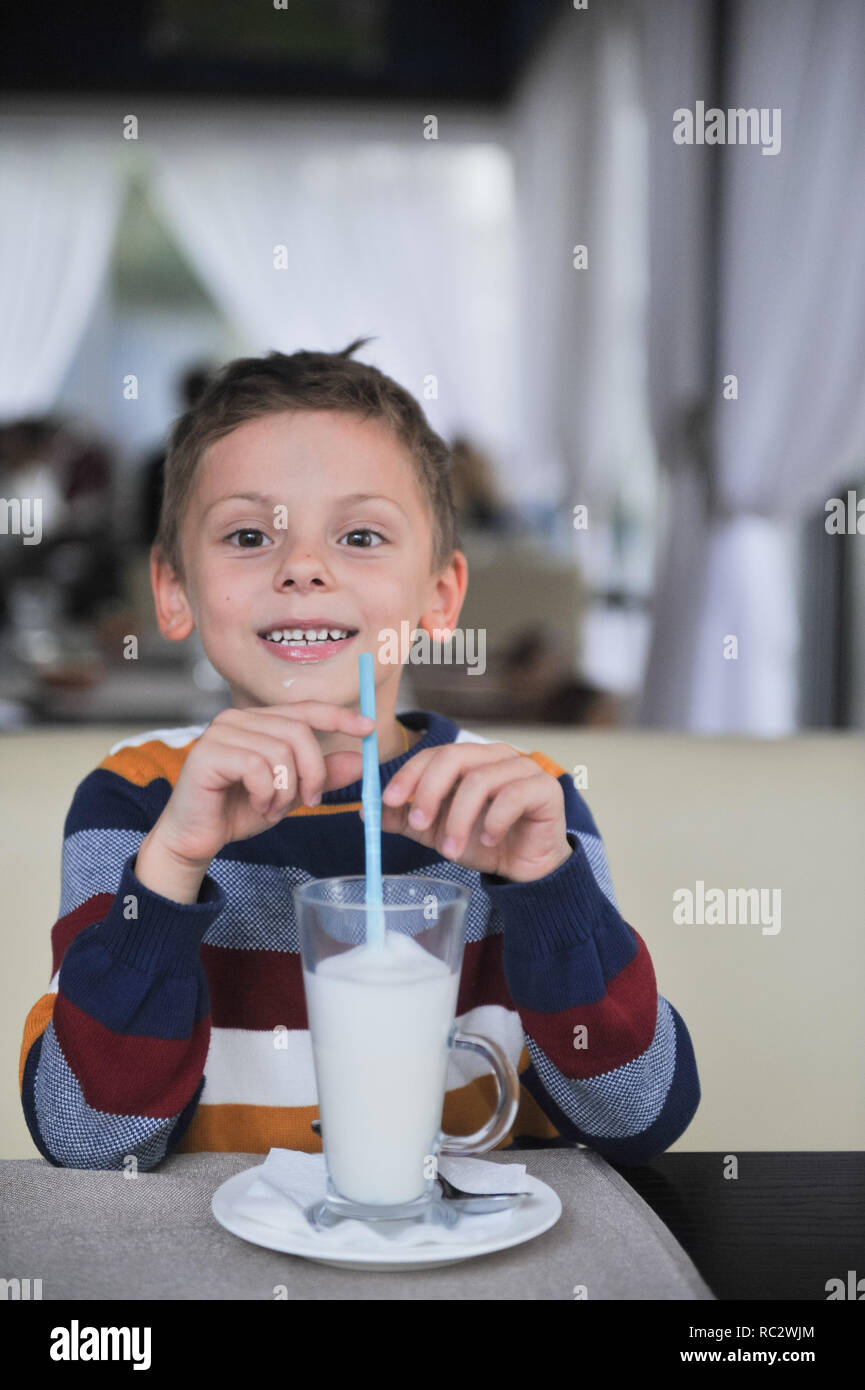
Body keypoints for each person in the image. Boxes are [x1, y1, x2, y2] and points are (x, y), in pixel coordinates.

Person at [19, 339, 700, 1170]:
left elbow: (634, 1116)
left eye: (362, 535)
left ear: (439, 596)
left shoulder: (519, 804)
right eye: (246, 534)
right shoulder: (135, 804)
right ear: (173, 591)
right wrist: (172, 866)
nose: (303, 567)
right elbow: (88, 1136)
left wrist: (549, 887)